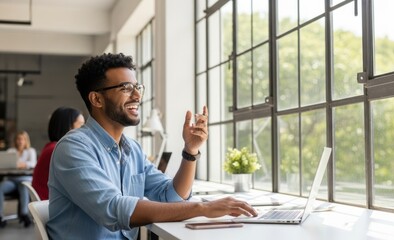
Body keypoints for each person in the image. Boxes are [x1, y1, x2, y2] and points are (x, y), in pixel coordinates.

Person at [46, 53, 257, 239]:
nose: (137, 96)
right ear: (97, 99)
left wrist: (190, 151)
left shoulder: (132, 150)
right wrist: (203, 208)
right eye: (126, 88)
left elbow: (171, 197)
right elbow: (113, 209)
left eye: (137, 87)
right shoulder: (73, 148)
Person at [32, 107, 85, 200]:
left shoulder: (51, 147)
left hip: (48, 202)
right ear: (67, 126)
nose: (85, 130)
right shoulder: (59, 150)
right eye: (81, 125)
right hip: (51, 205)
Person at [0, 130, 37, 228]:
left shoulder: (30, 151)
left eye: (22, 139)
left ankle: (24, 214)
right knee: (1, 187)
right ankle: (0, 216)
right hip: (11, 180)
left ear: (26, 140)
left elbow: (33, 164)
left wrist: (23, 164)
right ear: (15, 140)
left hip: (25, 179)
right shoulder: (10, 152)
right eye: (18, 139)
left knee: (23, 185)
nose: (20, 141)